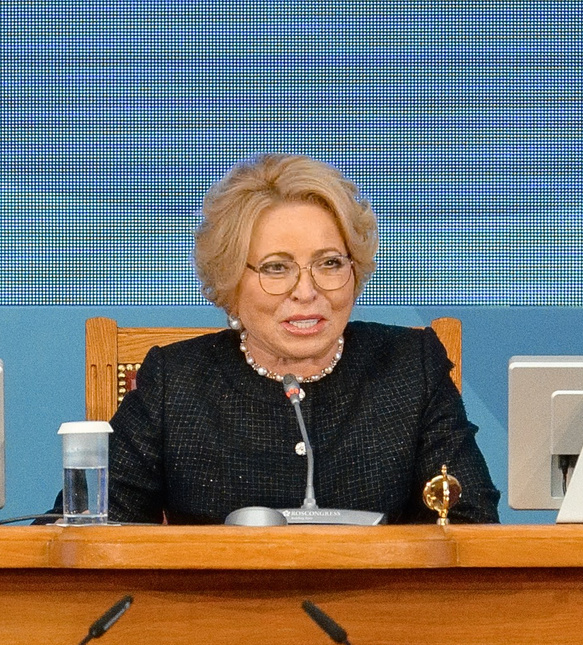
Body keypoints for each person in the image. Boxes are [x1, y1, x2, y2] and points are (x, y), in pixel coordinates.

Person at [107, 153, 499, 524]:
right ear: (230, 281)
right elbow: (97, 530)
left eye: (329, 263)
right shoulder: (174, 381)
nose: (306, 291)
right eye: (276, 268)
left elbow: (470, 523)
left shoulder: (412, 368)